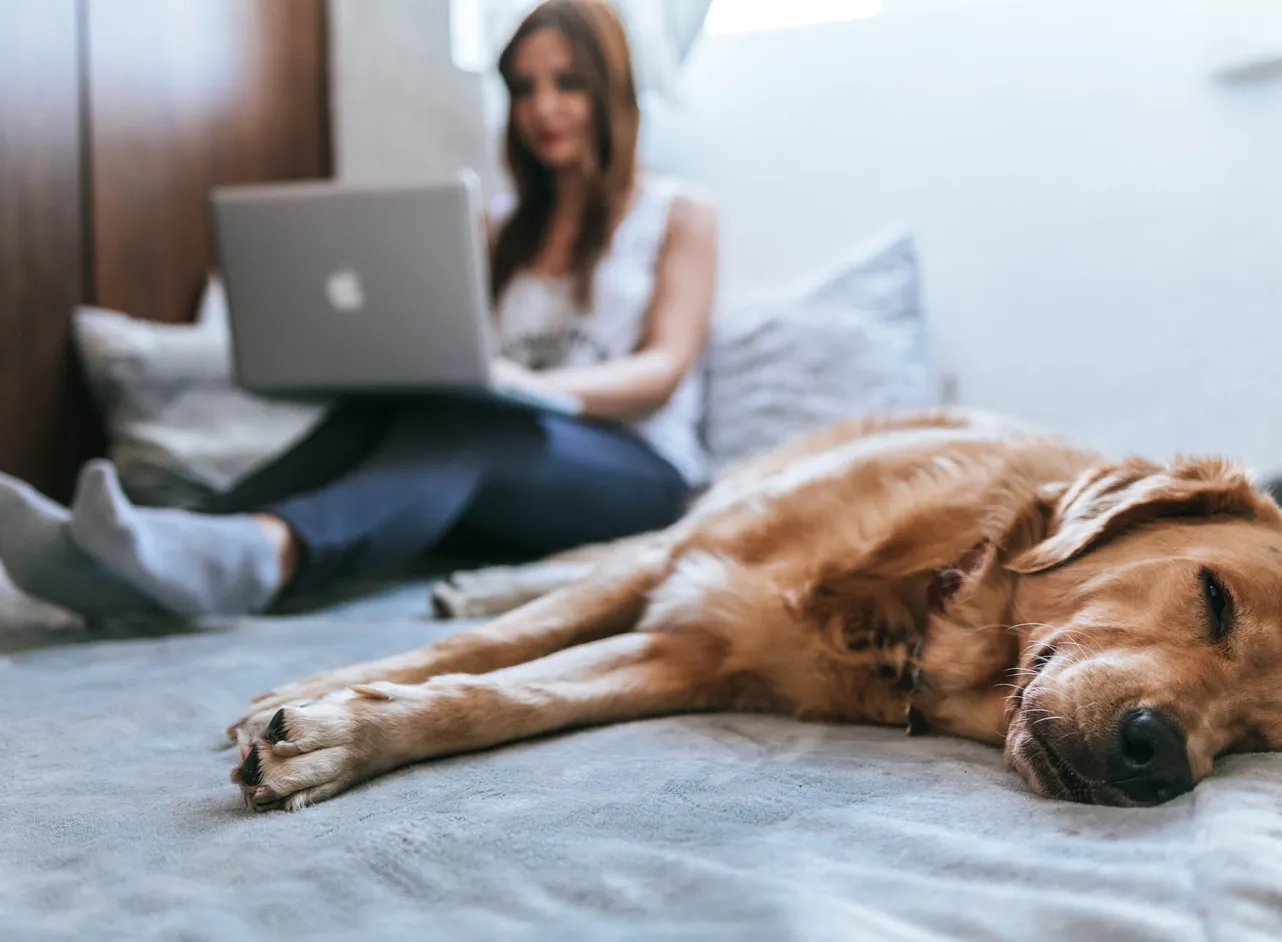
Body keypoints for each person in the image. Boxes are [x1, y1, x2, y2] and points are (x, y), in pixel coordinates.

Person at [0, 0, 717, 619]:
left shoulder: (677, 213)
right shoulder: (494, 227)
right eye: (524, 88)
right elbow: (454, 347)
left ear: (610, 90)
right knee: (391, 413)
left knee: (469, 425)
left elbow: (663, 368)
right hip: (502, 452)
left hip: (636, 472)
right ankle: (153, 544)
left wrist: (530, 388)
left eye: (567, 84)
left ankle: (264, 556)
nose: (543, 109)